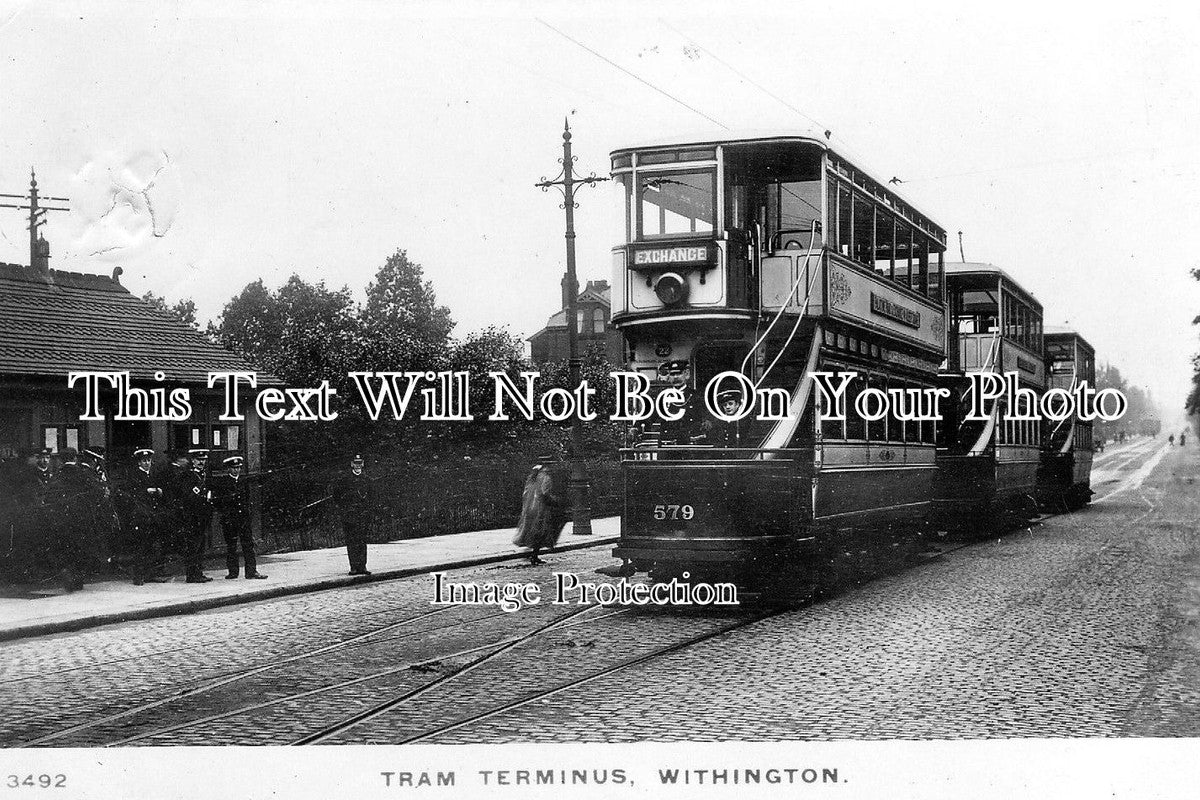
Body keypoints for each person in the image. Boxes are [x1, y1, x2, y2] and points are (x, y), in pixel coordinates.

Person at [47, 448, 97, 591]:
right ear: (75, 458)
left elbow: (50, 497)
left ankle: (67, 572)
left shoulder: (57, 475)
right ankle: (78, 579)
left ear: (61, 460)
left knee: (65, 547)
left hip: (63, 519)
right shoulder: (84, 474)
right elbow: (94, 493)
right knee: (81, 549)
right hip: (82, 519)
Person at [119, 448, 170, 585]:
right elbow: (131, 494)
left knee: (153, 545)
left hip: (154, 514)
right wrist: (145, 491)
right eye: (144, 461)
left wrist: (159, 491)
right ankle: (139, 575)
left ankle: (151, 574)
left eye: (148, 460)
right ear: (139, 463)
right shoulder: (134, 476)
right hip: (141, 515)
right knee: (141, 546)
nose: (147, 463)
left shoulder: (154, 474)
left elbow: (162, 490)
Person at [211, 455, 266, 579]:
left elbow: (246, 500)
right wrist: (226, 514)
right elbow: (218, 503)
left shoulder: (243, 481)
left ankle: (251, 571)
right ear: (228, 469)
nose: (236, 470)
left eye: (238, 468)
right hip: (230, 520)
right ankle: (233, 572)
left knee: (248, 545)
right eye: (234, 468)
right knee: (231, 546)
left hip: (243, 519)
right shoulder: (223, 483)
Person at [513, 461, 567, 565]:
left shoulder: (533, 477)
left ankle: (533, 554)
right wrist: (555, 500)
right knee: (541, 531)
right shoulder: (546, 477)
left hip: (530, 508)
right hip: (541, 509)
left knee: (534, 531)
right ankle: (533, 555)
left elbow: (526, 493)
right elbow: (544, 493)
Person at [330, 454, 374, 575]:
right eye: (356, 463)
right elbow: (337, 496)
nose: (358, 465)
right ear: (352, 464)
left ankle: (363, 566)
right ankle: (353, 566)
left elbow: (372, 497)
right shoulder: (345, 480)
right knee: (352, 541)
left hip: (363, 516)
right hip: (349, 516)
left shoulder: (367, 480)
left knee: (362, 541)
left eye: (360, 463)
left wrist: (368, 512)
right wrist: (344, 510)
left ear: (363, 464)